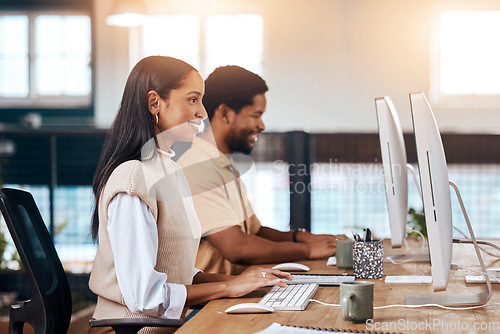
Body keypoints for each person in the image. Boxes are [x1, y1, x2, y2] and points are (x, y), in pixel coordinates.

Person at [88, 56, 290, 333]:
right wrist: (229, 286)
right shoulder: (134, 178)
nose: (203, 113)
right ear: (154, 103)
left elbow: (176, 269)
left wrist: (244, 280)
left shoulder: (168, 169)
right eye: (193, 100)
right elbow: (145, 297)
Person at [177, 65, 346, 276]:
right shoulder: (199, 167)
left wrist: (304, 238)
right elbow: (237, 248)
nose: (262, 125)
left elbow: (255, 231)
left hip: (233, 291)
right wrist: (309, 250)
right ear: (225, 114)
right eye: (256, 115)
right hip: (209, 305)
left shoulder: (222, 164)